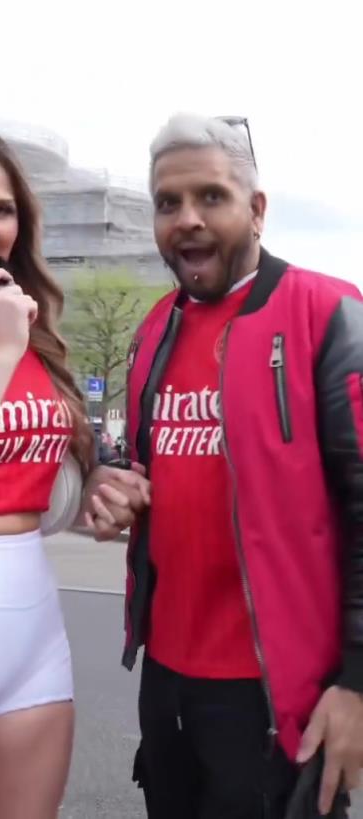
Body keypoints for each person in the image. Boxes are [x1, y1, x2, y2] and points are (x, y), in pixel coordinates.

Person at [0, 123, 150, 819]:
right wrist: (1, 355)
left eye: (2, 209)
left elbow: (34, 477)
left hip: (32, 629)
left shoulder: (29, 335)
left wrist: (93, 491)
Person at [123, 113, 363, 818]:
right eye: (168, 202)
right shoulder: (154, 328)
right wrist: (118, 490)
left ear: (256, 209)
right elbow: (153, 473)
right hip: (166, 684)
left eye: (211, 197)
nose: (187, 219)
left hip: (276, 694)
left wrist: (357, 683)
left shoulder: (328, 311)